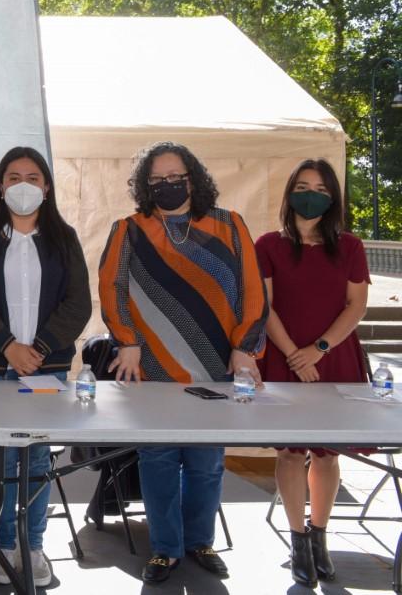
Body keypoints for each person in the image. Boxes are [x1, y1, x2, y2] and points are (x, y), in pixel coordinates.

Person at [99, 141, 267, 585]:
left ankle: (200, 542)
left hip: (217, 365)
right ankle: (165, 549)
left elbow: (252, 288)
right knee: (157, 461)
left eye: (176, 177)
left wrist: (245, 347)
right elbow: (113, 288)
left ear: (194, 179)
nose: (168, 185)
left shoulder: (230, 225)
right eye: (157, 179)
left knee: (206, 463)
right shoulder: (128, 230)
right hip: (152, 369)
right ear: (145, 185)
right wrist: (126, 341)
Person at [0, 146, 91, 587]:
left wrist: (41, 348)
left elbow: (79, 303)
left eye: (33, 177)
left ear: (47, 187)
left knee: (36, 459)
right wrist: (8, 346)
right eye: (13, 177)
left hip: (47, 370)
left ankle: (33, 546)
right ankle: (3, 544)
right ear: (0, 186)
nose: (23, 185)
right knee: (3, 458)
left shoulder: (64, 238)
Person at [257, 158, 368, 586]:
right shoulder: (268, 245)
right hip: (284, 359)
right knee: (289, 452)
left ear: (333, 197)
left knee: (327, 453)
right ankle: (298, 539)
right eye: (303, 187)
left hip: (334, 359)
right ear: (289, 193)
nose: (311, 195)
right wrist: (294, 355)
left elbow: (355, 306)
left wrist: (318, 350)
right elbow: (264, 307)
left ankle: (319, 535)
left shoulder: (351, 247)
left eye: (321, 189)